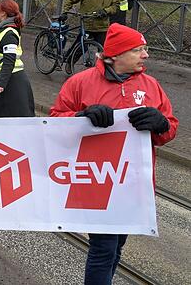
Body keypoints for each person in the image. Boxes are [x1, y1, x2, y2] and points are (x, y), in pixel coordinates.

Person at [50, 23, 177, 285]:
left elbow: (169, 128)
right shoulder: (80, 83)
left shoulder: (151, 85)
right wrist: (80, 117)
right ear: (116, 54)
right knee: (104, 248)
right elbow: (54, 122)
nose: (146, 55)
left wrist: (161, 125)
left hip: (133, 183)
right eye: (138, 50)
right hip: (96, 181)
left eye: (145, 49)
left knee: (116, 246)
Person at [0, 0, 35, 118]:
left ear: (3, 13)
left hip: (8, 81)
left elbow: (9, 61)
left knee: (3, 116)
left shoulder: (9, 33)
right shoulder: (2, 29)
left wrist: (0, 84)